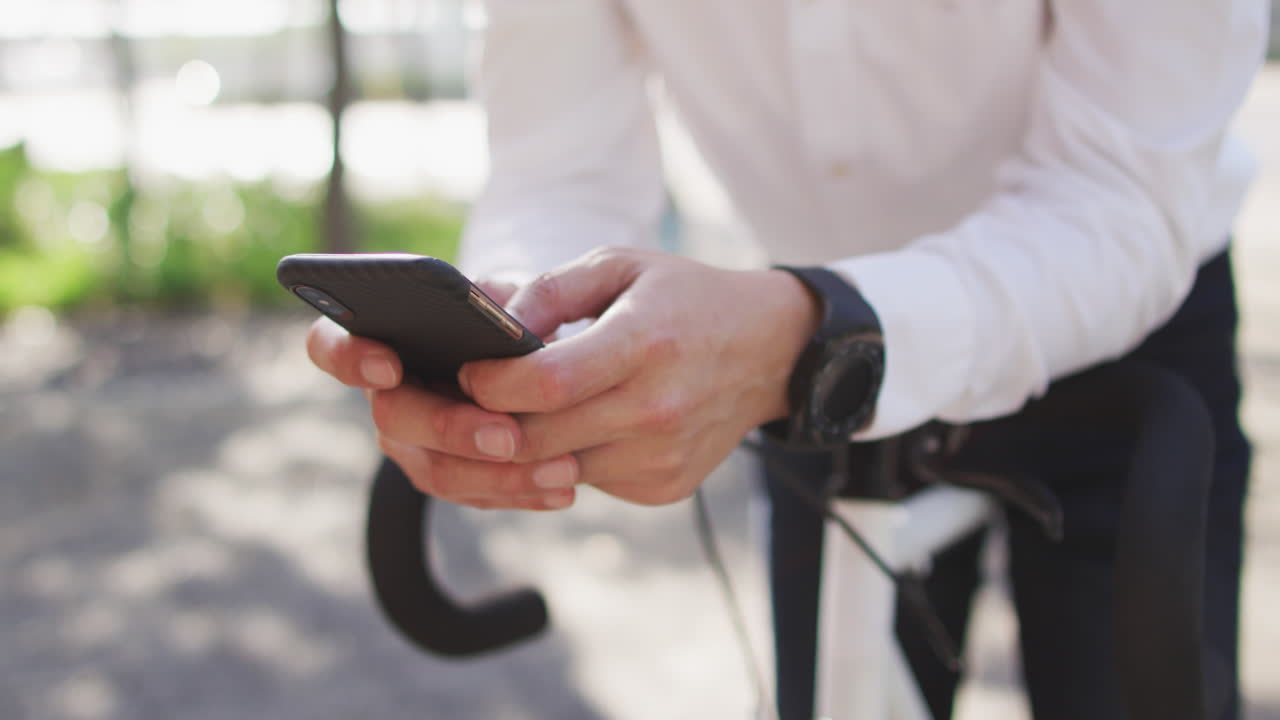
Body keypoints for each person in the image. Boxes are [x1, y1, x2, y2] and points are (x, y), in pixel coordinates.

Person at [306, 2, 1268, 718]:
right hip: (791, 340)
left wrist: (815, 332)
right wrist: (525, 329)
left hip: (1107, 321)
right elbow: (561, 171)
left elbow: (1116, 191)